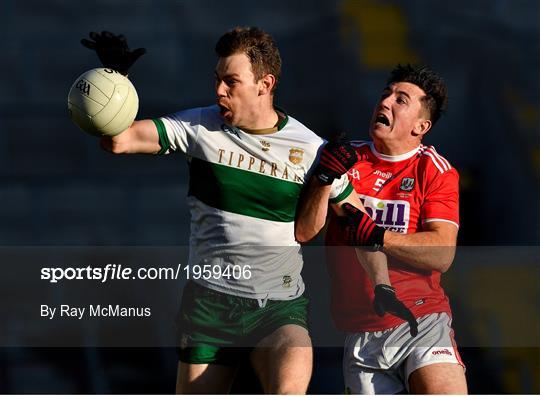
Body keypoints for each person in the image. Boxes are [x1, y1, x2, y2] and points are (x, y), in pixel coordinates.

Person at [80, 27, 367, 394]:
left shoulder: (311, 149)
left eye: (231, 82)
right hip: (208, 307)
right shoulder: (198, 126)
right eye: (217, 80)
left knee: (291, 377)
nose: (219, 91)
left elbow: (357, 223)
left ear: (265, 84)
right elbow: (118, 141)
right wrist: (114, 83)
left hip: (277, 309)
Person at [296, 64, 467, 394]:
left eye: (401, 99)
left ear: (421, 126)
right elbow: (304, 232)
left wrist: (377, 235)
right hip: (361, 332)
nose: (386, 102)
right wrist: (322, 178)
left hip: (421, 320)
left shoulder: (434, 170)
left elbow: (442, 253)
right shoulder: (347, 160)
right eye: (385, 94)